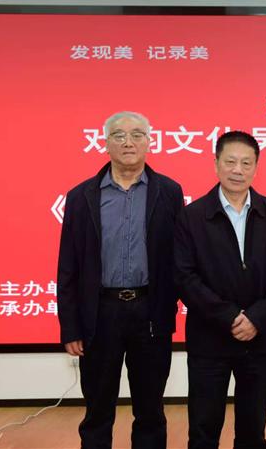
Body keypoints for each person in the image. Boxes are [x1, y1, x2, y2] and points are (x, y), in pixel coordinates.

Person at [57, 111, 184, 448]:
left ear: (149, 142)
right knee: (97, 410)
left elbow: (180, 259)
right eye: (119, 135)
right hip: (100, 314)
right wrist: (70, 326)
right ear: (105, 142)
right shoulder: (82, 196)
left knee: (151, 410)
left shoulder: (169, 192)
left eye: (137, 134)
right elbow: (68, 266)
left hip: (150, 312)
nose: (129, 142)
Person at [174, 130, 266, 449]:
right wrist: (228, 316)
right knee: (203, 429)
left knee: (253, 431)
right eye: (230, 162)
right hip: (209, 338)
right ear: (216, 163)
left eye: (246, 163)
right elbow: (184, 276)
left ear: (256, 167)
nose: (237, 170)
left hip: (261, 338)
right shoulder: (191, 216)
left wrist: (256, 317)